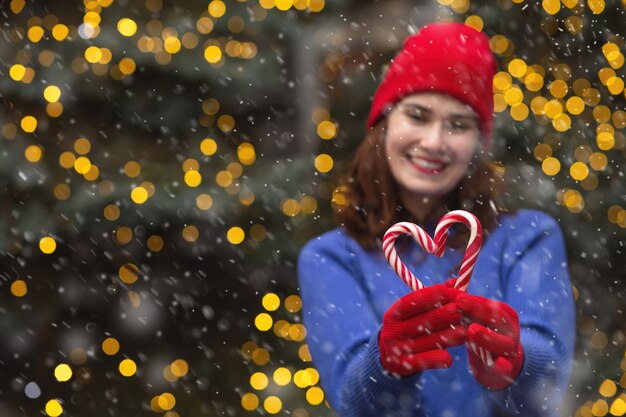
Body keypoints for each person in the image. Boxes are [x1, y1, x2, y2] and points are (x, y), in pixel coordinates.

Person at [297, 22, 575, 417]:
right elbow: (353, 402)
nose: (434, 142)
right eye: (417, 115)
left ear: (477, 144)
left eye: (458, 125)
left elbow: (547, 390)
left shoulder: (529, 237)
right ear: (384, 124)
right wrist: (384, 363)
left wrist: (516, 362)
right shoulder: (329, 257)